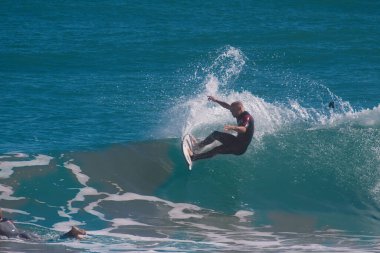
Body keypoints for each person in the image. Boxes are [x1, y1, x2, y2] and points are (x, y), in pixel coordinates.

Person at [190, 96, 254, 161]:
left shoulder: (246, 117)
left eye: (232, 111)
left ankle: (194, 157)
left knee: (216, 149)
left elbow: (244, 129)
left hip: (239, 148)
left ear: (239, 109)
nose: (231, 113)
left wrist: (233, 127)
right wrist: (215, 100)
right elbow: (227, 106)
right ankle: (198, 146)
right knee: (215, 134)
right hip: (236, 141)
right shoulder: (238, 112)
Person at [0, 208, 86, 240]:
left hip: (19, 236)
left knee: (45, 242)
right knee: (44, 239)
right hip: (23, 232)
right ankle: (71, 234)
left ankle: (70, 234)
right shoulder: (6, 220)